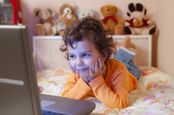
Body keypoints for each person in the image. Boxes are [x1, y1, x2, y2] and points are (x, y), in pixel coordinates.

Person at [60, 17, 137, 109]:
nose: (78, 63)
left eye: (85, 55)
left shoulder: (118, 69)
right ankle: (121, 48)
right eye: (72, 56)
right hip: (110, 62)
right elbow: (64, 102)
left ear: (104, 54)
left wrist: (95, 80)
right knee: (118, 56)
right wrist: (84, 80)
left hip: (130, 74)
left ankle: (125, 46)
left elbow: (120, 104)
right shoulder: (76, 71)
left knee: (127, 64)